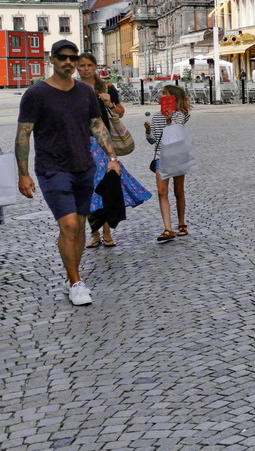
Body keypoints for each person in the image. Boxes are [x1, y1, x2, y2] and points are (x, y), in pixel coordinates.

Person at [13, 39, 121, 306]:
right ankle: (75, 281)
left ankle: (72, 273)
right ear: (52, 60)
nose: (69, 62)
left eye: (73, 58)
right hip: (52, 168)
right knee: (69, 224)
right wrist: (23, 173)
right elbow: (24, 135)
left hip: (84, 167)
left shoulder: (84, 93)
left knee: (81, 224)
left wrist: (112, 157)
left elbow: (97, 125)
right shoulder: (36, 94)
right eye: (63, 57)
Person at [76, 52, 151, 247]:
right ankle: (94, 234)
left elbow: (120, 112)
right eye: (82, 65)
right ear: (77, 67)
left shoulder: (106, 87)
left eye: (89, 65)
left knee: (107, 185)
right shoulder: (72, 89)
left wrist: (108, 102)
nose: (85, 69)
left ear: (95, 67)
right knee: (87, 188)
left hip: (103, 142)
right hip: (81, 142)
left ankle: (107, 232)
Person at [144, 84, 192, 242]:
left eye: (164, 93)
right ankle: (167, 228)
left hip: (177, 156)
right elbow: (153, 141)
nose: (160, 95)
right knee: (162, 191)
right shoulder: (156, 116)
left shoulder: (180, 115)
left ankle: (181, 223)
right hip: (161, 157)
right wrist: (148, 131)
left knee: (179, 191)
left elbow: (176, 133)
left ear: (173, 98)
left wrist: (170, 119)